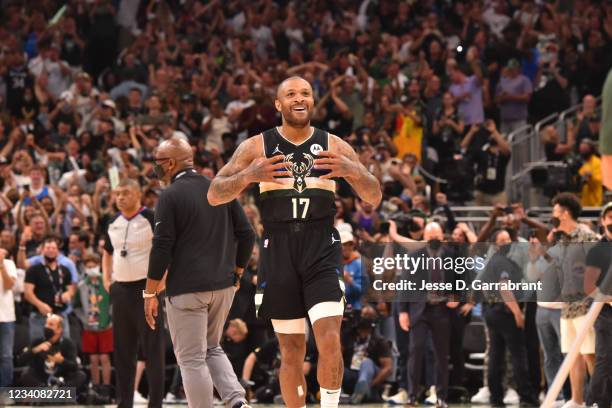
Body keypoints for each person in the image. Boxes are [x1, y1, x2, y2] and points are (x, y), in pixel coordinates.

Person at [208, 76, 382, 408]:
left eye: (305, 93)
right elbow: (214, 193)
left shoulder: (335, 145)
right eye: (290, 94)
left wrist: (352, 170)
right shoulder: (257, 146)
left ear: (313, 101)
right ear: (278, 104)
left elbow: (374, 195)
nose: (298, 98)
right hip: (278, 246)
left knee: (329, 338)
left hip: (322, 245)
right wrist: (248, 176)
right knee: (291, 350)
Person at [144, 137, 256, 408]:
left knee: (191, 359)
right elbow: (247, 234)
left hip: (187, 290)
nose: (155, 169)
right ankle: (238, 402)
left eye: (157, 163)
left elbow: (161, 247)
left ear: (170, 163)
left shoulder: (169, 196)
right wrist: (238, 273)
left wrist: (149, 292)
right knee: (211, 348)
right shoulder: (218, 188)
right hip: (223, 287)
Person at [102, 178, 165, 408]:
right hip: (120, 291)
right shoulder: (111, 222)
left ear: (138, 194)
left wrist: (159, 288)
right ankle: (124, 403)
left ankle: (155, 403)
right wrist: (106, 280)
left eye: (125, 193)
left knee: (153, 351)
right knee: (122, 351)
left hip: (146, 291)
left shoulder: (151, 218)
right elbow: (107, 252)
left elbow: (167, 252)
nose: (120, 198)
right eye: (117, 194)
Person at [398, 222, 458, 408]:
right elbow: (404, 285)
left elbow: (462, 280)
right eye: (430, 237)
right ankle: (412, 395)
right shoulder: (414, 256)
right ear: (425, 237)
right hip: (419, 310)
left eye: (437, 237)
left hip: (441, 310)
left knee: (442, 355)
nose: (434, 240)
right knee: (416, 351)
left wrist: (457, 296)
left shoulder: (452, 256)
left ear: (442, 237)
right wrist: (402, 312)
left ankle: (441, 396)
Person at [584, 202, 612, 408]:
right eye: (609, 217)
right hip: (604, 312)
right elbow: (588, 286)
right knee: (604, 358)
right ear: (603, 221)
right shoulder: (597, 250)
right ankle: (596, 403)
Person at [16, 314, 86, 390]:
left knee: (80, 375)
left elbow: (74, 367)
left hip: (61, 380)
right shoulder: (38, 342)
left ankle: (57, 395)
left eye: (51, 324)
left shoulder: (68, 344)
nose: (46, 326)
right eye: (46, 323)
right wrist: (35, 350)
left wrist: (62, 360)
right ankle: (50, 394)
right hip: (41, 379)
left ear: (59, 329)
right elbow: (20, 360)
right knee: (26, 374)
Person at [24, 237, 74, 341]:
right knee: (38, 347)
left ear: (58, 251)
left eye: (53, 248)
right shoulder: (33, 270)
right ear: (42, 250)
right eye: (48, 248)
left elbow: (71, 289)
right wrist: (40, 305)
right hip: (40, 315)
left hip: (60, 314)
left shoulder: (65, 270)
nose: (51, 250)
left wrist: (68, 294)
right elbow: (28, 293)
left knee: (64, 346)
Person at [75, 254, 112, 393]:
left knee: (104, 357)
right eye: (88, 267)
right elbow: (76, 306)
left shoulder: (107, 282)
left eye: (94, 266)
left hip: (105, 325)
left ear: (99, 266)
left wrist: (110, 318)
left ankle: (106, 387)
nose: (91, 269)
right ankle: (96, 387)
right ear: (85, 268)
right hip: (89, 326)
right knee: (93, 358)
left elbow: (114, 303)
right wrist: (84, 319)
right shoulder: (82, 285)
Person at [341, 308, 392, 404]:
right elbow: (337, 357)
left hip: (371, 378)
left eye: (370, 316)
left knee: (366, 362)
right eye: (364, 315)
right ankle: (340, 393)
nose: (366, 318)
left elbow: (388, 368)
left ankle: (362, 387)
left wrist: (371, 384)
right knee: (338, 364)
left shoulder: (379, 340)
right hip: (350, 374)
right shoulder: (348, 336)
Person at [0, 247, 17, 388]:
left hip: (6, 317)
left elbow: (9, 285)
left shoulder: (9, 264)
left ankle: (4, 390)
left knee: (6, 356)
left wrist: (1, 266)